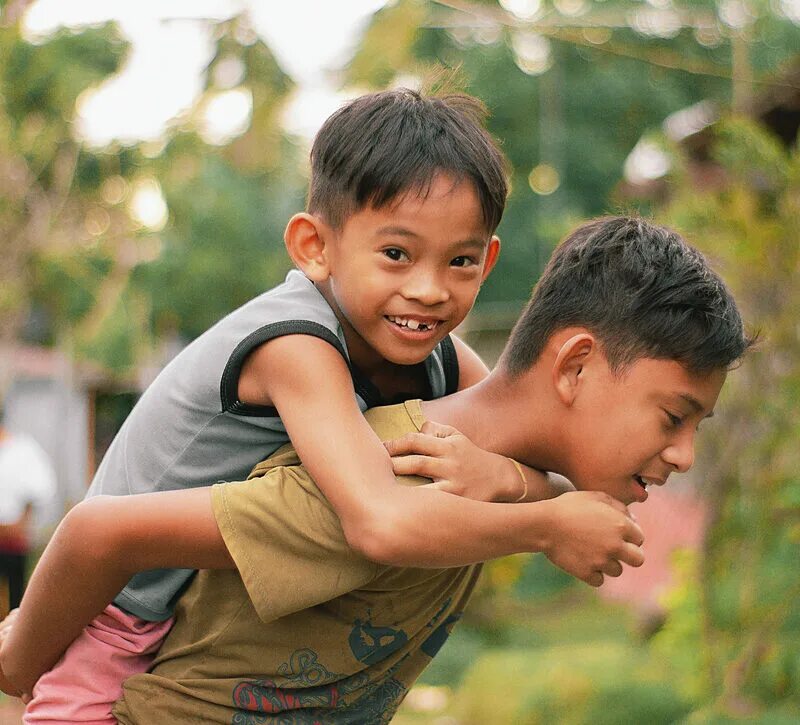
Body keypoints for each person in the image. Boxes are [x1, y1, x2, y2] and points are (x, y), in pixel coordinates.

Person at [0, 89, 640, 723]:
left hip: (197, 629)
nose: (428, 289)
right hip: (115, 619)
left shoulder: (437, 355)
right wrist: (547, 522)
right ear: (314, 247)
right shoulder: (295, 346)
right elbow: (378, 522)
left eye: (461, 261)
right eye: (396, 254)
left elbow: (516, 423)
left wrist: (506, 476)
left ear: (489, 261)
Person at [0, 408, 56, 611]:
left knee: (16, 597)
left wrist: (22, 521)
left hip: (12, 538)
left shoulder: (22, 450)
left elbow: (41, 487)